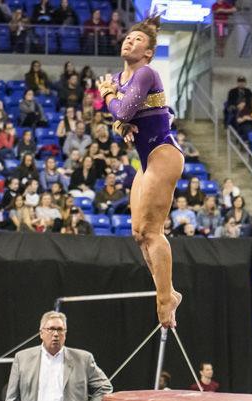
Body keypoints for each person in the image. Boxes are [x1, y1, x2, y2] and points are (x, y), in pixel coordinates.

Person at [98, 15, 184, 328]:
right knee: (138, 233)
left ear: (147, 53)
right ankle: (167, 291)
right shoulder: (122, 80)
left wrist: (108, 96)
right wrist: (123, 123)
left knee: (152, 231)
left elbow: (120, 109)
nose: (129, 41)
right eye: (128, 38)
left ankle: (165, 298)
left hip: (163, 153)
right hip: (147, 158)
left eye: (138, 41)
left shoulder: (145, 72)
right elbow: (127, 117)